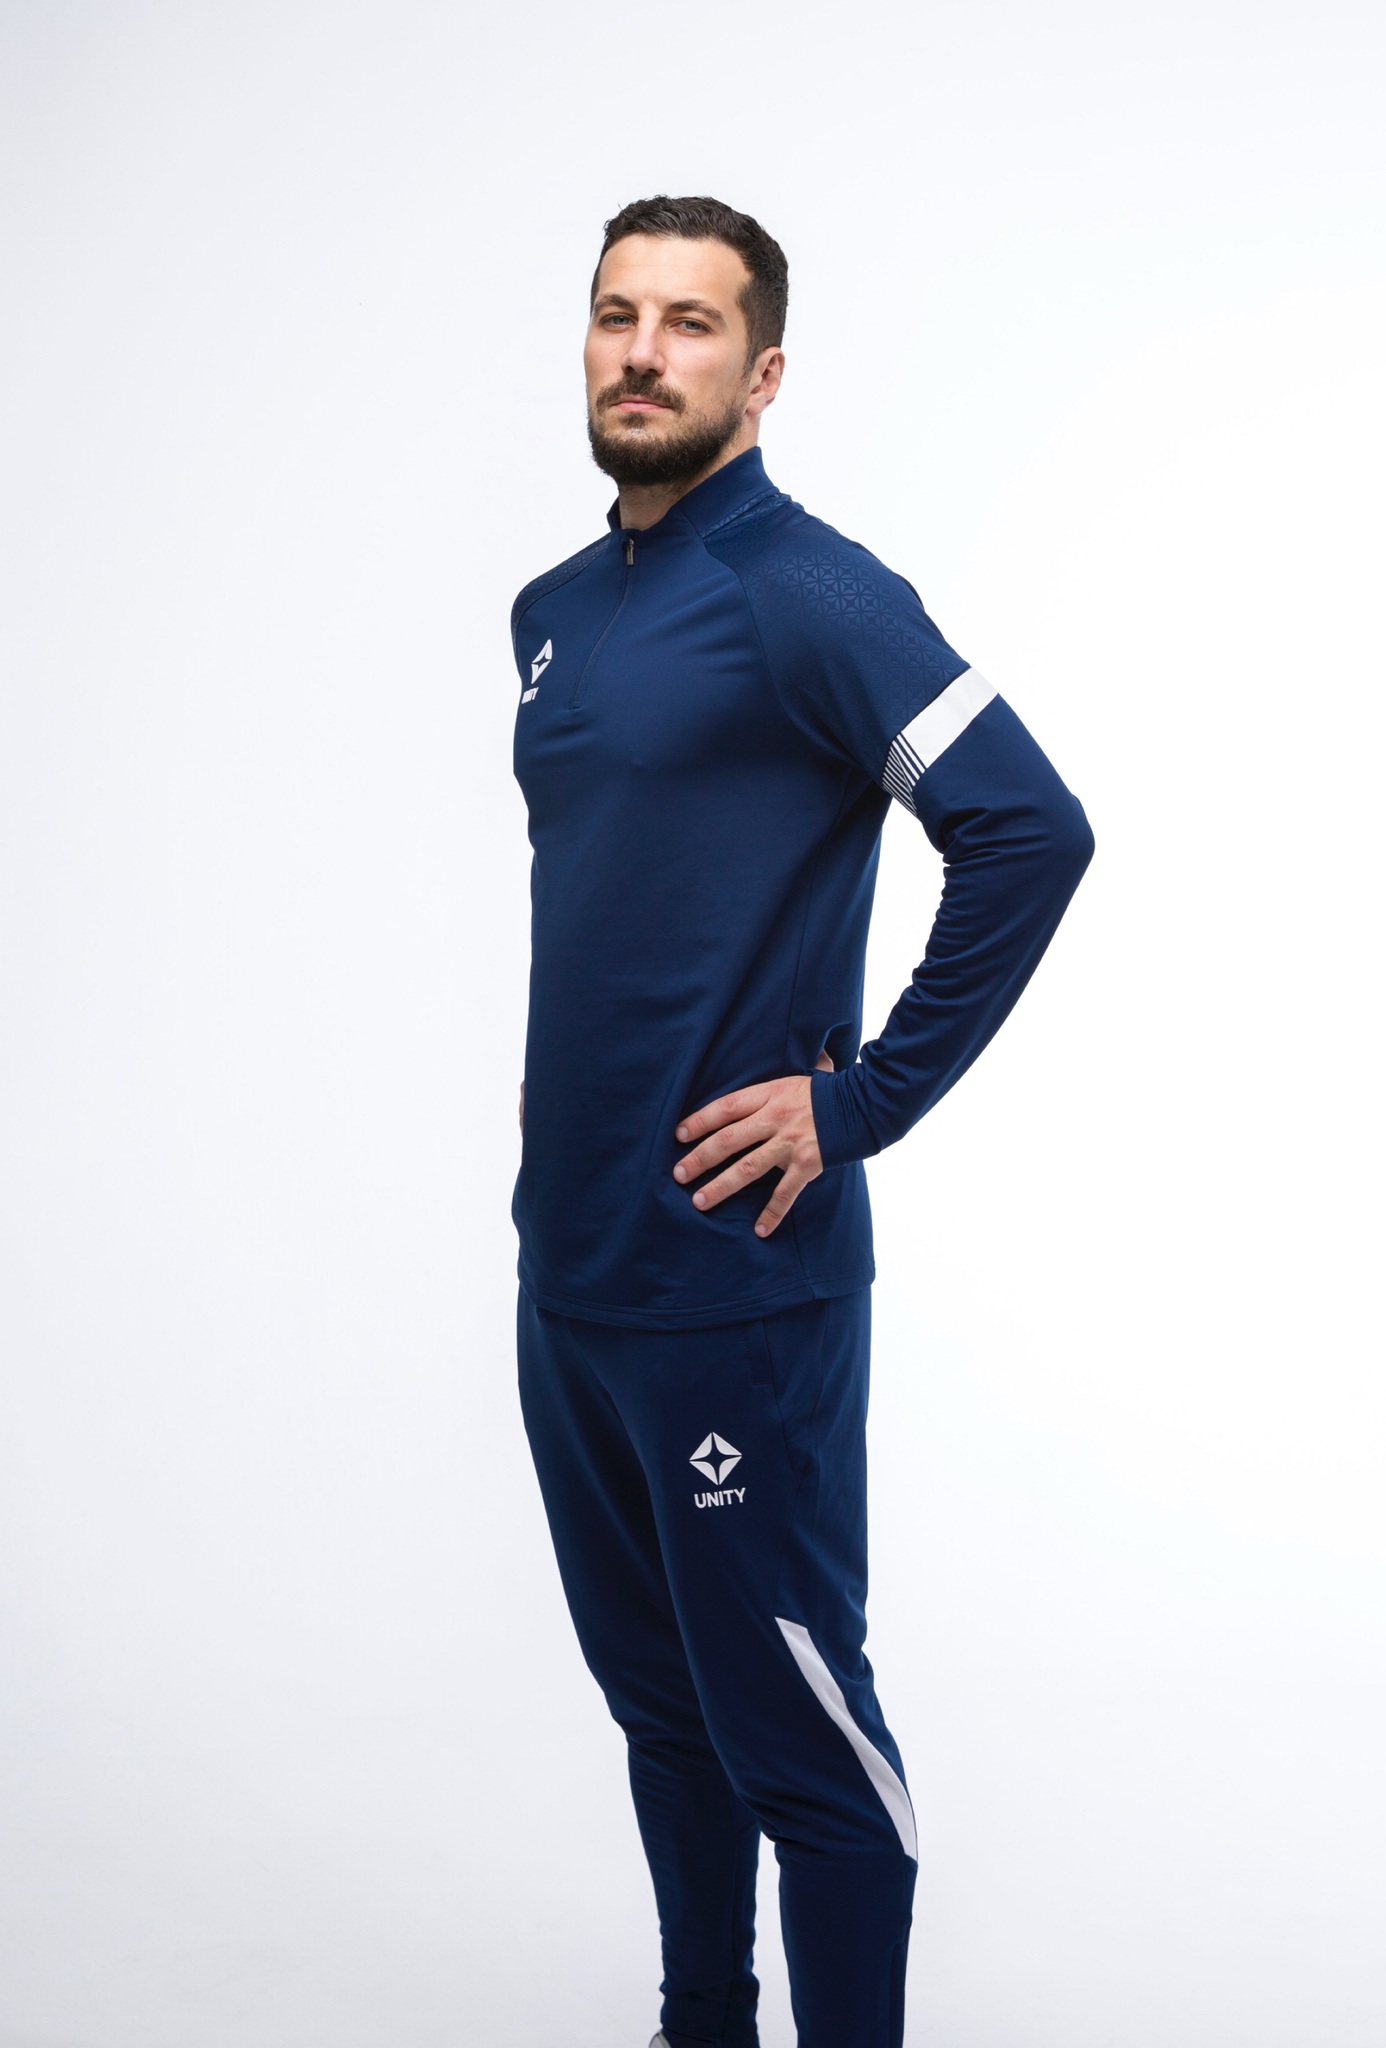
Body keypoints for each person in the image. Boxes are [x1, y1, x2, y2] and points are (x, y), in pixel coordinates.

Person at [509, 194, 1093, 2048]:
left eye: (688, 324)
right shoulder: (552, 613)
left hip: (734, 1284)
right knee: (662, 1711)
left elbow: (1029, 830)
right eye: (616, 314)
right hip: (571, 1269)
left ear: (759, 374)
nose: (641, 353)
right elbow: (629, 880)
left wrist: (864, 1102)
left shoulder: (807, 592)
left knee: (801, 1738)